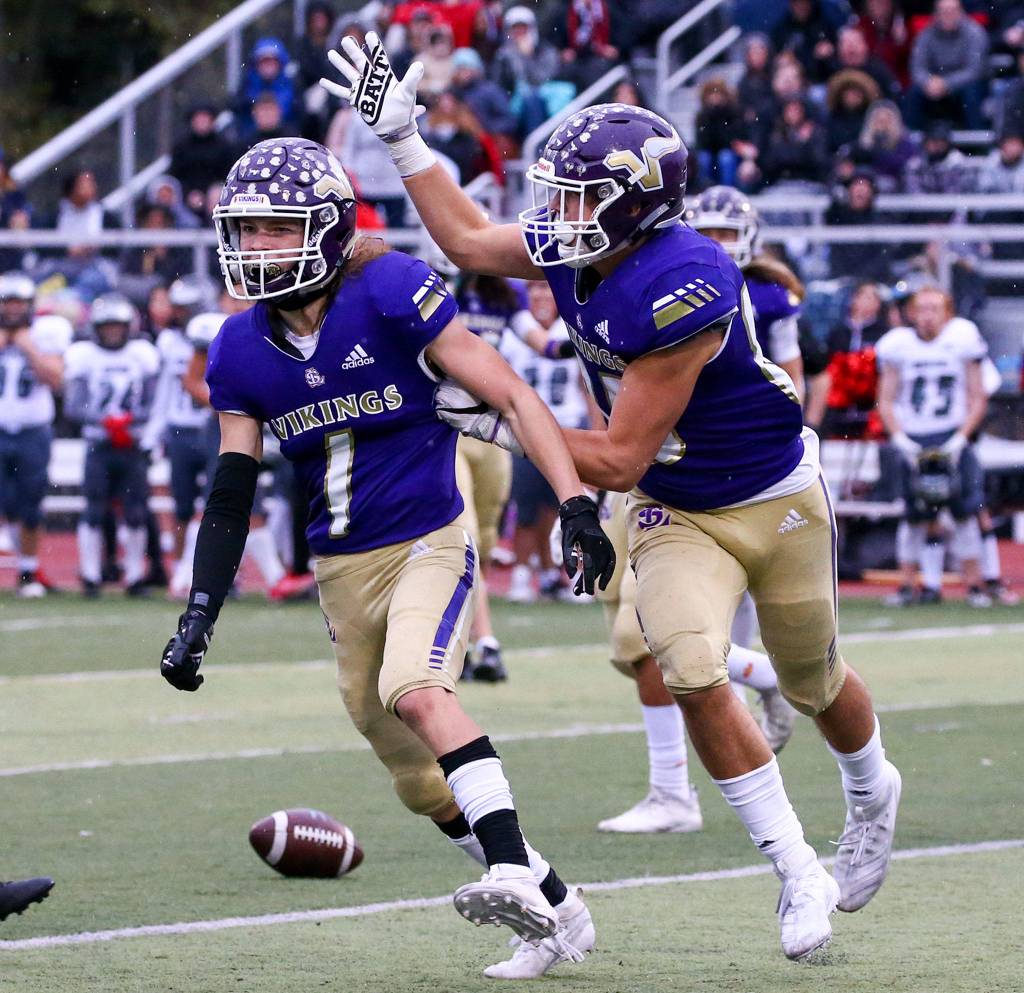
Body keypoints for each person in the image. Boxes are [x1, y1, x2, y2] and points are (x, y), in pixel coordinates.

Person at [322, 34, 903, 964]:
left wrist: (497, 417)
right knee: (687, 665)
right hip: (680, 506)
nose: (556, 214)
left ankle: (874, 792)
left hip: (769, 492)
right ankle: (797, 866)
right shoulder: (575, 244)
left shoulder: (686, 280)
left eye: (579, 196)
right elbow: (469, 239)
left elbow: (621, 455)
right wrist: (404, 141)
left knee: (813, 680)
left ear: (640, 207)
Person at [158, 137, 615, 980]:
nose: (254, 248)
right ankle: (560, 907)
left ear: (328, 228)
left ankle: (510, 867)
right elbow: (231, 489)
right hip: (341, 570)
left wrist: (575, 502)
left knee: (417, 688)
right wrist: (201, 609)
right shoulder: (237, 347)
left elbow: (510, 393)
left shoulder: (392, 289)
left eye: (273, 228)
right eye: (246, 230)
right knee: (411, 773)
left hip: (427, 540)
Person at [876, 287, 991, 607]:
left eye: (934, 308)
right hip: (913, 437)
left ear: (948, 313)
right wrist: (901, 439)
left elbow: (977, 396)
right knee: (913, 516)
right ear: (911, 313)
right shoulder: (898, 346)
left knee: (965, 513)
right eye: (921, 308)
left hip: (951, 434)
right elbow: (885, 400)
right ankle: (907, 585)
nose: (927, 315)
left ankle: (975, 586)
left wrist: (960, 438)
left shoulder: (962, 339)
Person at [64, 293, 159, 597]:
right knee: (93, 509)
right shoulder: (85, 356)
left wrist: (132, 421)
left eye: (119, 326)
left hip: (131, 443)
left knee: (135, 511)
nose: (114, 332)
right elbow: (73, 405)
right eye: (108, 327)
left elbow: (153, 399)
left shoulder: (141, 354)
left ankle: (134, 576)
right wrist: (104, 421)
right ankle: (90, 576)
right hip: (99, 444)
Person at [0, 272, 71, 597]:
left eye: (18, 304)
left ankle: (28, 571)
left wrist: (27, 347)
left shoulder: (45, 333)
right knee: (7, 504)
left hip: (32, 432)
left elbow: (56, 379)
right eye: (8, 304)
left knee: (30, 504)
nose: (13, 311)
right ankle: (24, 565)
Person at [905, 0, 988, 129]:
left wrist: (946, 83)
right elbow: (917, 67)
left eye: (952, 11)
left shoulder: (975, 33)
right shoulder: (925, 34)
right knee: (913, 93)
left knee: (972, 93)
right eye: (943, 12)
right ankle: (911, 140)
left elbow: (974, 70)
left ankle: (976, 144)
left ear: (961, 12)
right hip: (933, 85)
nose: (948, 15)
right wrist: (928, 82)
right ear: (936, 14)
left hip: (964, 85)